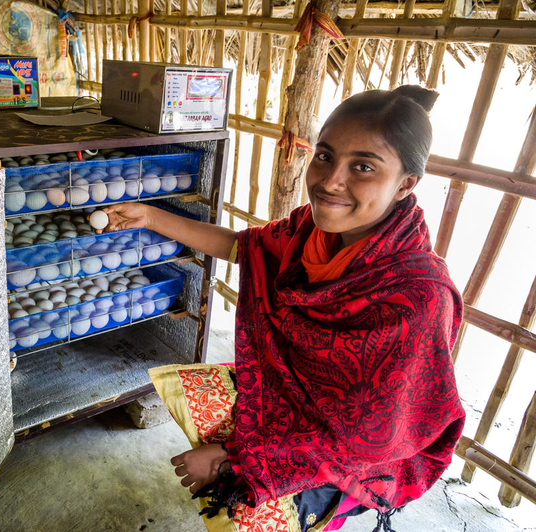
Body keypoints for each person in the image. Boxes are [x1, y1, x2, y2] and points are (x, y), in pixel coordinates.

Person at [100, 85, 466, 531]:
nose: (330, 181)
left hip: (358, 459)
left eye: (364, 167)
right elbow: (243, 246)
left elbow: (367, 441)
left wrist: (239, 459)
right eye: (326, 156)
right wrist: (152, 217)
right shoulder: (313, 231)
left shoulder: (417, 299)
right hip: (301, 406)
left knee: (243, 503)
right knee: (194, 393)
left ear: (406, 184)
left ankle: (319, 509)